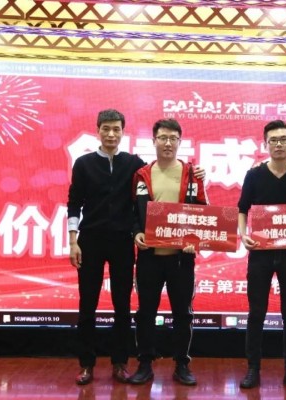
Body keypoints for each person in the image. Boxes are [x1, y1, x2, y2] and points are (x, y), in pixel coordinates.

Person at [67, 109, 145, 385]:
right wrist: (73, 241)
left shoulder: (134, 163)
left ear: (123, 132)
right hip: (90, 240)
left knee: (122, 304)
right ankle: (86, 364)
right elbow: (74, 202)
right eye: (106, 129)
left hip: (122, 241)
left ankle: (120, 362)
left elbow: (149, 192)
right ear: (97, 130)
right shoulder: (84, 163)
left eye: (116, 129)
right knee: (87, 303)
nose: (111, 134)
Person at [237, 120, 286, 390]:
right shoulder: (254, 175)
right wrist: (243, 235)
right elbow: (242, 209)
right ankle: (253, 369)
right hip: (260, 253)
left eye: (283, 139)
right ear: (265, 144)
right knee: (256, 312)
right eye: (273, 140)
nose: (279, 144)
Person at [128, 118, 208, 387]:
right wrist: (136, 233)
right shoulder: (141, 175)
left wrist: (194, 239)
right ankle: (144, 363)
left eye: (173, 138)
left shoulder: (192, 174)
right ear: (154, 141)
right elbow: (133, 212)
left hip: (181, 259)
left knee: (183, 313)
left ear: (180, 142)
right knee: (145, 312)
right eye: (163, 138)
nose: (168, 143)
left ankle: (182, 364)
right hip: (149, 257)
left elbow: (203, 213)